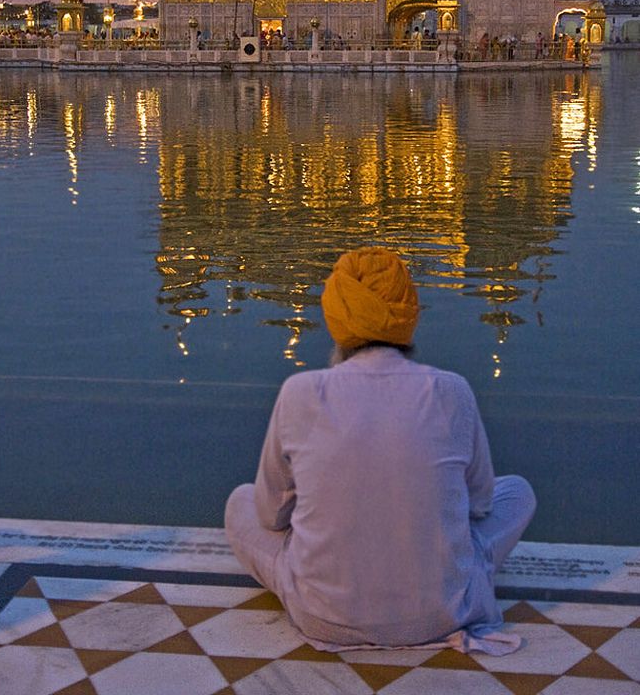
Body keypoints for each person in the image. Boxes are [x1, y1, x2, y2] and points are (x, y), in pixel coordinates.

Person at [226, 248, 535, 652]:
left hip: (322, 614)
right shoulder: (451, 390)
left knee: (240, 501)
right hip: (442, 611)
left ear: (335, 317)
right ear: (410, 315)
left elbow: (270, 514)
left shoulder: (300, 392)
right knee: (518, 493)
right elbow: (479, 506)